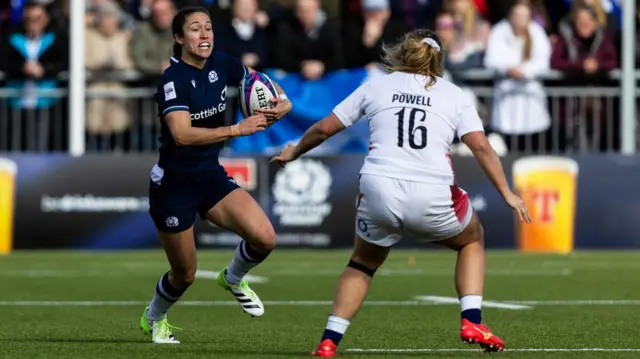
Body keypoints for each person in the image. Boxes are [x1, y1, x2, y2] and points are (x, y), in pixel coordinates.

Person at [272, 29, 531, 357]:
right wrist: (507, 192)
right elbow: (480, 147)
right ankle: (472, 320)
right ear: (438, 60)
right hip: (430, 191)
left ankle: (328, 342)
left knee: (362, 264)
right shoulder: (453, 94)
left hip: (378, 186)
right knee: (471, 240)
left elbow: (325, 128)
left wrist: (294, 151)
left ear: (401, 54)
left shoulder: (376, 86)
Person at [140, 6, 292, 344]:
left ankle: (234, 277)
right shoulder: (172, 79)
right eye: (195, 29)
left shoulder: (222, 63)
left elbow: (258, 81)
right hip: (174, 185)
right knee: (185, 274)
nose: (204, 34)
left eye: (208, 27)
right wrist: (237, 129)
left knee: (265, 238)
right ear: (179, 38)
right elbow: (181, 134)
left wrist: (282, 102)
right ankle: (155, 317)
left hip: (209, 175)